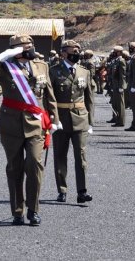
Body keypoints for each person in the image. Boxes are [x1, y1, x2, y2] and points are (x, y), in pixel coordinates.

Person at [0, 33, 59, 226]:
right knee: (14, 168)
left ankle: (33, 210)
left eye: (30, 44)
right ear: (15, 50)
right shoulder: (5, 66)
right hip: (11, 124)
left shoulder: (42, 66)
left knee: (34, 164)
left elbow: (49, 94)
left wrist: (54, 119)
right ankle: (17, 211)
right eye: (24, 46)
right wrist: (3, 55)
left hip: (36, 124)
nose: (29, 48)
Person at [49, 40, 95, 204]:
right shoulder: (53, 72)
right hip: (61, 119)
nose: (76, 53)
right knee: (60, 156)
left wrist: (90, 122)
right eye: (72, 51)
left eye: (77, 50)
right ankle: (62, 190)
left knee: (81, 156)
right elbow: (50, 98)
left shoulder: (84, 71)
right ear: (63, 53)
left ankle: (82, 191)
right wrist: (51, 120)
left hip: (80, 118)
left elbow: (89, 98)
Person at [110, 46, 127, 127]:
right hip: (115, 84)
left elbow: (122, 75)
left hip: (119, 85)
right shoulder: (116, 61)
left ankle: (121, 121)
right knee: (116, 103)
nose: (114, 53)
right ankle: (117, 119)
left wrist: (121, 86)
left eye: (115, 51)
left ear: (119, 52)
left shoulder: (121, 61)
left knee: (120, 104)